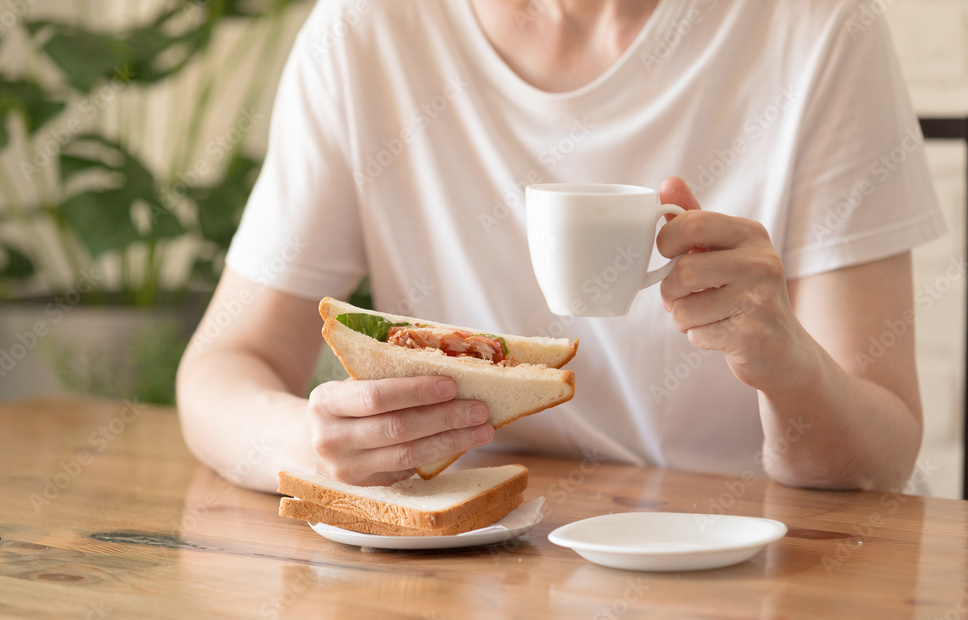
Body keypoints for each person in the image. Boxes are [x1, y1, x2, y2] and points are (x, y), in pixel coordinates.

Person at [176, 0, 946, 493]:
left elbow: (881, 456)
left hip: (755, 572)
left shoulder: (819, 29)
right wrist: (316, 448)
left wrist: (790, 368)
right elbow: (221, 368)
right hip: (474, 572)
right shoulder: (365, 34)